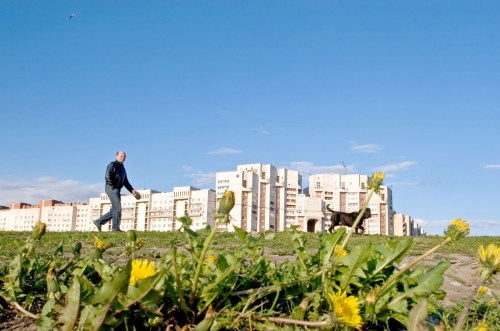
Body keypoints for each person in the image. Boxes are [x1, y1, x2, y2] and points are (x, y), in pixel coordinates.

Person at [93, 150, 138, 232]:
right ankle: (115, 228)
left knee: (115, 209)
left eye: (124, 157)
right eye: (121, 156)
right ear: (117, 156)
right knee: (117, 207)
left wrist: (132, 190)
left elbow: (125, 182)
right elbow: (107, 175)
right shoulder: (112, 165)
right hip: (111, 188)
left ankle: (98, 222)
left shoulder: (123, 168)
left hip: (117, 189)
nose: (123, 158)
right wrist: (113, 186)